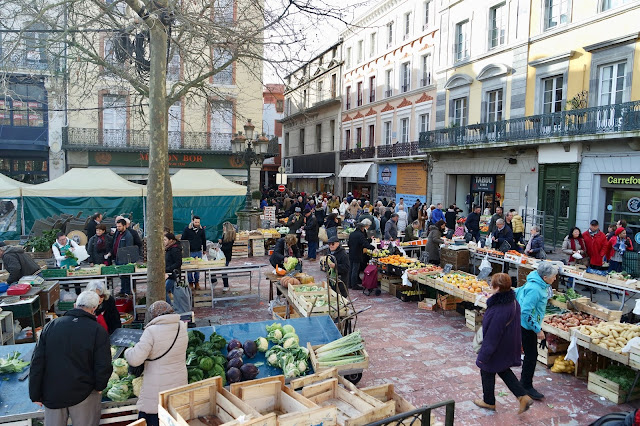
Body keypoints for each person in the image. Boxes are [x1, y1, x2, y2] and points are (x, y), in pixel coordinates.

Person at [29, 291, 112, 426]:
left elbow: (37, 361)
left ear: (75, 305)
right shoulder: (98, 331)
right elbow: (103, 364)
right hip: (84, 393)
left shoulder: (51, 326)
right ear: (94, 309)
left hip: (53, 393)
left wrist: (35, 393)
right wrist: (100, 386)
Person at [475, 273, 533, 414]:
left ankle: (489, 402)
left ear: (497, 288)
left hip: (498, 346)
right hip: (508, 343)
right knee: (502, 369)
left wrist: (484, 354)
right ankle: (523, 397)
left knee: (486, 368)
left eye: (492, 285)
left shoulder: (499, 308)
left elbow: (493, 334)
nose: (490, 287)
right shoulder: (513, 302)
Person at [125, 301, 188, 426]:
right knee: (173, 417)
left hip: (157, 386)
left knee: (154, 418)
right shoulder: (181, 326)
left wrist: (128, 351)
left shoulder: (151, 331)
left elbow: (135, 359)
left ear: (154, 315)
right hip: (179, 381)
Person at [516, 261, 558, 400]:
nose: (555, 279)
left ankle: (525, 383)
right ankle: (526, 385)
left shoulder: (540, 284)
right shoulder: (535, 289)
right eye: (553, 276)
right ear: (545, 277)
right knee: (531, 356)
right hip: (526, 326)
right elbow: (525, 312)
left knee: (531, 355)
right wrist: (537, 329)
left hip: (529, 324)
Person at [181, 216, 207, 290]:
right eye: (195, 222)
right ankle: (190, 282)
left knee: (197, 268)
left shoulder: (201, 230)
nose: (197, 224)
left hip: (198, 251)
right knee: (189, 268)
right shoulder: (187, 229)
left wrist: (204, 249)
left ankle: (197, 282)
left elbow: (204, 240)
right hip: (189, 251)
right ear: (192, 221)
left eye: (198, 222)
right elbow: (183, 240)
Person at [347, 220, 374, 290]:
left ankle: (349, 284)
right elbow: (364, 243)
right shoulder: (360, 235)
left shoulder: (352, 234)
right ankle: (354, 285)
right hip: (357, 254)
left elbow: (349, 243)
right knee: (355, 270)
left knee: (351, 269)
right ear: (362, 228)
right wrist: (372, 247)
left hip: (351, 253)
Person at [110, 219, 134, 296]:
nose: (118, 228)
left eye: (119, 226)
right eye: (117, 226)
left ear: (124, 226)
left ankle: (127, 291)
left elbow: (128, 248)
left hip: (124, 259)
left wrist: (125, 257)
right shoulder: (117, 233)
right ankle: (123, 290)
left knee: (126, 276)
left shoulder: (128, 235)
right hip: (117, 257)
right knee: (122, 276)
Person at [164, 233, 182, 304]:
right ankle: (181, 305)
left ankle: (170, 307)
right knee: (175, 292)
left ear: (170, 240)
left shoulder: (175, 249)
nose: (163, 241)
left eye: (165, 240)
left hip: (172, 274)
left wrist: (168, 269)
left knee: (163, 291)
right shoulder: (169, 248)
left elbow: (178, 262)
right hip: (170, 273)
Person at [217, 222, 235, 292]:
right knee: (217, 268)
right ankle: (215, 280)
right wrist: (221, 242)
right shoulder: (225, 234)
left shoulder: (230, 236)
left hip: (226, 256)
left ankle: (226, 285)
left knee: (224, 271)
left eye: (224, 227)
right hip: (222, 255)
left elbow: (228, 247)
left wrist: (220, 248)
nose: (223, 228)